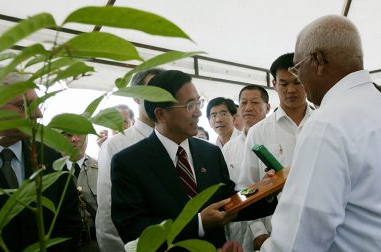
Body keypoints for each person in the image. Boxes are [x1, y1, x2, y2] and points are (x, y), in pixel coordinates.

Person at [260, 15, 381, 251]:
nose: (298, 80)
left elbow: (299, 238)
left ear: (318, 61)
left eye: (298, 69)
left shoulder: (327, 122)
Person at [110, 70, 277, 249]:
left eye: (199, 103)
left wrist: (265, 191)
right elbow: (131, 228)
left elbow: (229, 201)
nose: (198, 113)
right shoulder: (129, 162)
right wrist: (197, 224)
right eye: (190, 105)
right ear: (161, 114)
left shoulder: (210, 153)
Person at [0, 72, 81, 251]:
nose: (38, 113)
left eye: (37, 104)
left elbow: (69, 226)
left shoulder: (50, 158)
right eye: (23, 106)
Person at [237, 53, 314, 249]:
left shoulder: (324, 123)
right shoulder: (258, 133)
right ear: (274, 83)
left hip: (323, 229)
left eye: (297, 82)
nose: (291, 90)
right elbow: (245, 189)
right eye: (284, 83)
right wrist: (259, 233)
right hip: (276, 236)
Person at [96, 68, 163, 251]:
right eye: (152, 90)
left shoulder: (179, 142)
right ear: (136, 96)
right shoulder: (115, 146)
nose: (160, 96)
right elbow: (108, 212)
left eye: (164, 90)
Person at [222, 85, 270, 251]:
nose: (248, 107)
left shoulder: (274, 138)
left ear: (267, 107)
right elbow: (234, 190)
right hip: (241, 231)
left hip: (275, 224)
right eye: (243, 103)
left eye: (255, 102)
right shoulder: (228, 148)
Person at [61, 133, 99, 251]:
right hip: (63, 245)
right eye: (68, 135)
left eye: (80, 134)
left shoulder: (103, 168)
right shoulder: (48, 172)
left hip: (96, 244)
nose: (75, 139)